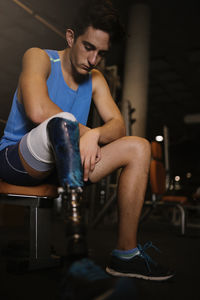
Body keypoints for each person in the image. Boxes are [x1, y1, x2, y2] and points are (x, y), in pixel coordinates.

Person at [0, 0, 174, 281]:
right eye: (88, 47)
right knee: (63, 121)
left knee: (139, 147)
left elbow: (117, 127)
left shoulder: (95, 79)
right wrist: (84, 130)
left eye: (101, 54)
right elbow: (37, 109)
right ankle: (76, 246)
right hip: (19, 160)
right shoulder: (39, 57)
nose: (93, 60)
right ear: (71, 37)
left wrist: (95, 133)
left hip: (64, 164)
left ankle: (125, 255)